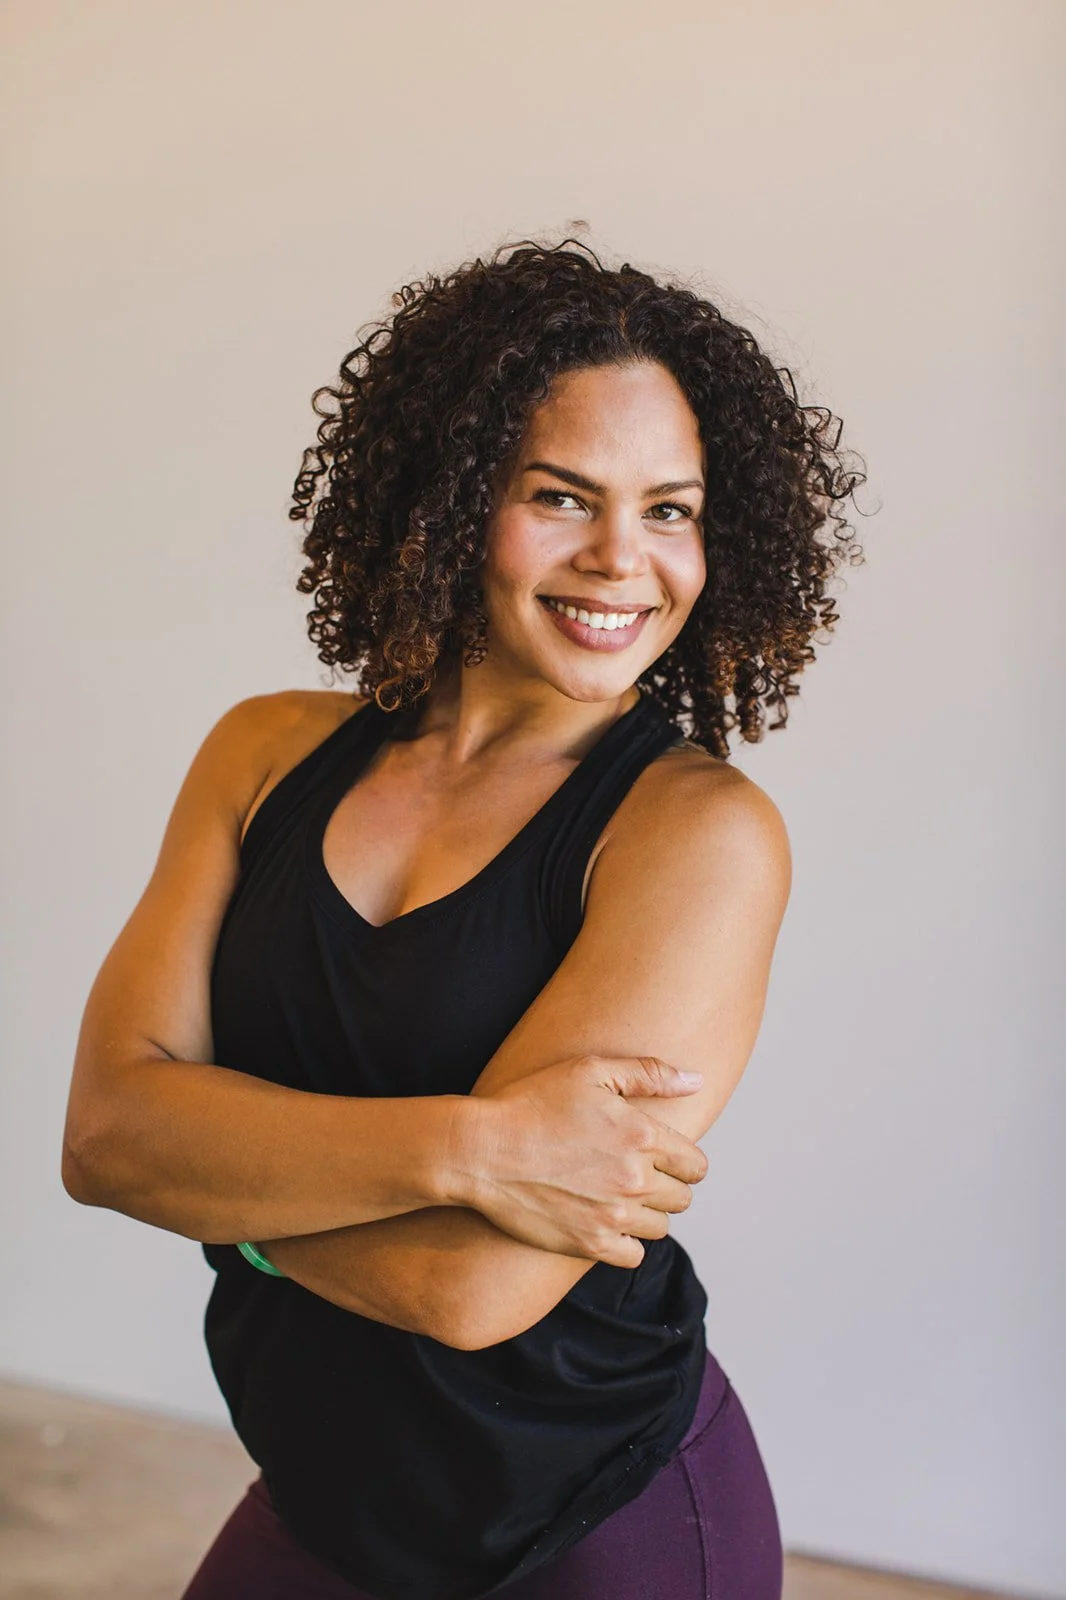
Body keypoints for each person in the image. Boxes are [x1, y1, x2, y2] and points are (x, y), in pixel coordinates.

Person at [62, 238, 865, 1600]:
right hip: (327, 1483)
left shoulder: (695, 835)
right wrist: (476, 1147)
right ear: (449, 498)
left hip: (596, 1518)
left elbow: (470, 1294)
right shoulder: (263, 754)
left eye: (671, 509)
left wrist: (216, 1186)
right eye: (561, 497)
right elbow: (102, 1138)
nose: (624, 559)